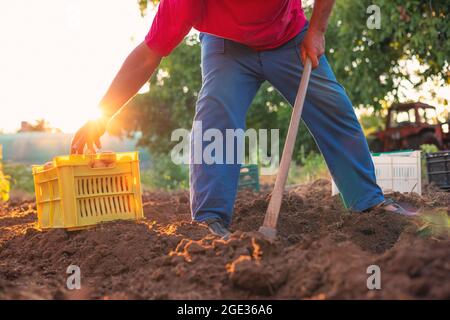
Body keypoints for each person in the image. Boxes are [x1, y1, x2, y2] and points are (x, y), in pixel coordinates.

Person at [71, 0, 413, 239]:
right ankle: (210, 220)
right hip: (226, 47)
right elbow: (148, 54)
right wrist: (102, 114)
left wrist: (317, 30)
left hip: (289, 38)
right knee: (216, 116)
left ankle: (368, 203)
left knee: (331, 105)